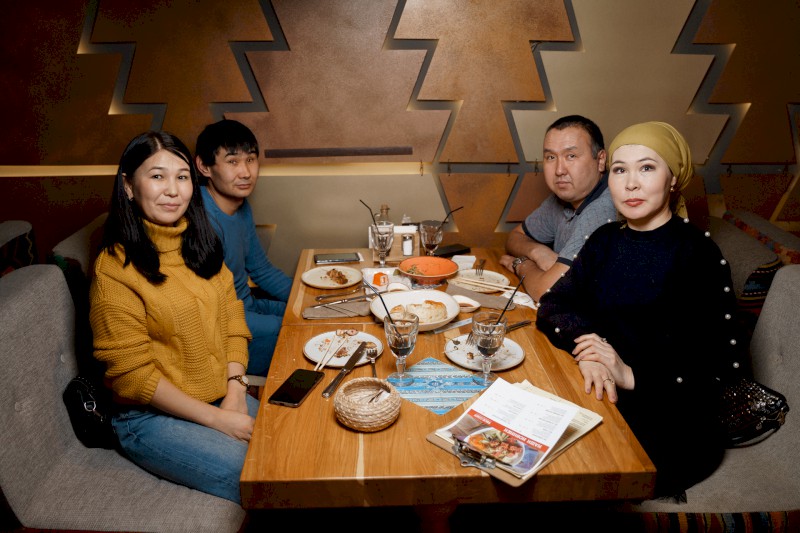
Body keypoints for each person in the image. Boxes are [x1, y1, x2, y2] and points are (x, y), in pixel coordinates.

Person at [536, 121, 744, 498]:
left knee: (557, 479)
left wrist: (629, 374)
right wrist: (591, 348)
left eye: (647, 168)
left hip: (673, 426)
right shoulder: (604, 240)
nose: (630, 183)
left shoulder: (697, 254)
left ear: (673, 179)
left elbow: (719, 370)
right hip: (600, 394)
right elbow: (553, 303)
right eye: (620, 170)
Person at [89, 131, 257, 504]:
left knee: (289, 446)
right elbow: (132, 376)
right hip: (148, 417)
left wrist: (235, 390)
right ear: (128, 185)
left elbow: (233, 320)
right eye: (157, 176)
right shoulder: (113, 268)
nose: (172, 190)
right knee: (261, 474)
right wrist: (218, 420)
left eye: (182, 177)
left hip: (220, 394)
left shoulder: (201, 243)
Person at [195, 119, 292, 376]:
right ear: (204, 166)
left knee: (313, 315)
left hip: (247, 308)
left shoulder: (240, 205)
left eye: (250, 159)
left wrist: (305, 299)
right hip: (223, 330)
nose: (246, 172)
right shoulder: (201, 219)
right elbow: (213, 312)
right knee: (300, 332)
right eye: (232, 161)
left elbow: (261, 269)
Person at [499, 115, 618, 302]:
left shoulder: (603, 209)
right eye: (551, 157)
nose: (559, 170)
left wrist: (520, 264)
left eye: (571, 156)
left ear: (601, 160)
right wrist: (539, 252)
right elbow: (515, 237)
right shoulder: (564, 197)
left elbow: (549, 291)